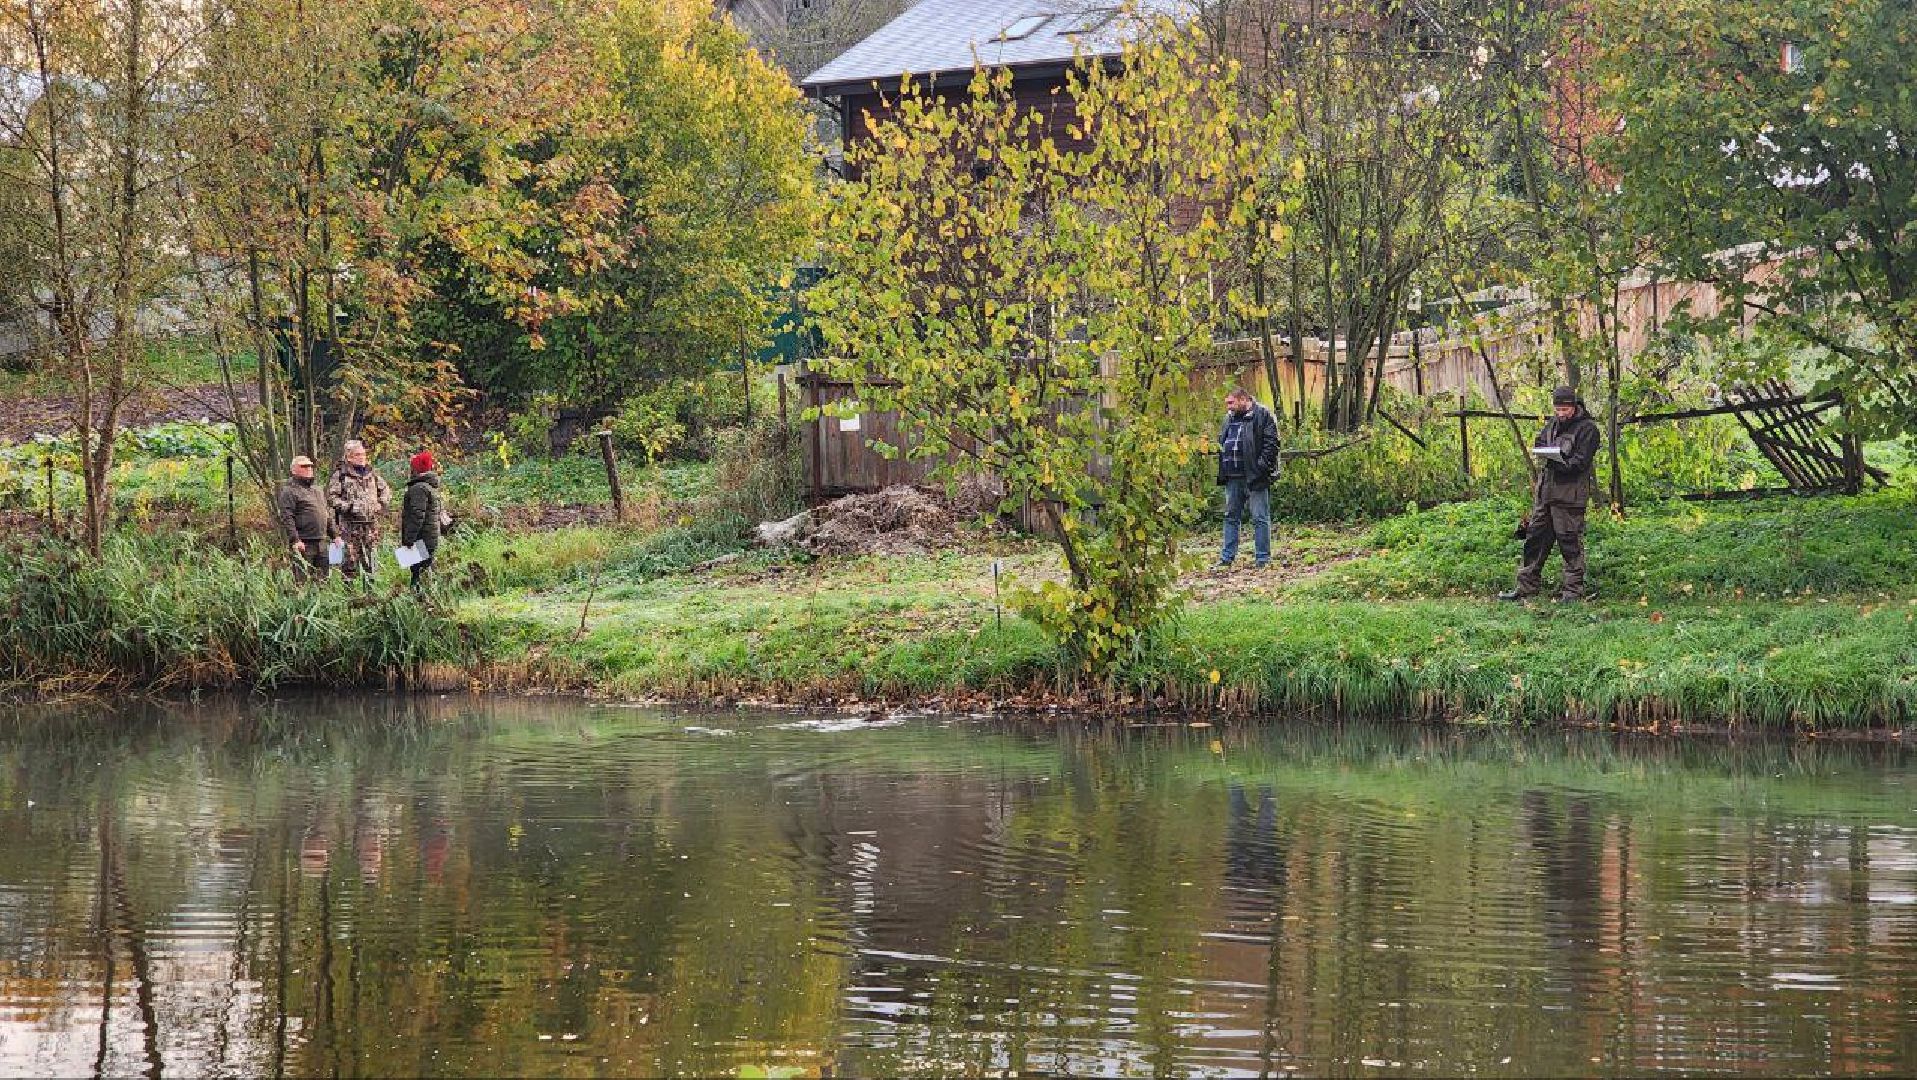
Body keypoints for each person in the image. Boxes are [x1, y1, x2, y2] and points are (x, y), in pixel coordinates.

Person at [1502, 385, 1602, 602]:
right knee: (1534, 541)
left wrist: (1559, 462)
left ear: (1574, 407)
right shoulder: (1553, 424)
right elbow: (1540, 441)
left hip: (1569, 497)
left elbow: (1581, 462)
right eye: (1558, 409)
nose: (1561, 414)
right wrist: (1543, 451)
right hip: (1545, 495)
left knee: (1569, 544)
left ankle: (1572, 593)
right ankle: (1526, 588)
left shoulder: (1588, 430)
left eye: (1565, 410)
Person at [1216, 387, 1281, 568]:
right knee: (1231, 517)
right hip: (1232, 476)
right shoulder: (1228, 418)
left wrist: (1260, 468)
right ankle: (1226, 558)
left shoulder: (1263, 415)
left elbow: (1271, 445)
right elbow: (1223, 442)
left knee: (1260, 517)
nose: (1228, 407)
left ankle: (1262, 559)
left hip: (1254, 476)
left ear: (1243, 399)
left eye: (1231, 402)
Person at [326, 439, 392, 582]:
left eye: (363, 454)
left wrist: (381, 503)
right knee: (349, 563)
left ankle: (370, 594)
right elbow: (331, 498)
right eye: (358, 455)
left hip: (370, 526)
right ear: (349, 457)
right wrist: (349, 507)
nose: (362, 457)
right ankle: (349, 596)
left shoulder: (371, 473)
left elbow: (386, 490)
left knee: (371, 562)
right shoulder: (340, 475)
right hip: (350, 527)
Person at [274, 455, 334, 583]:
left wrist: (335, 535)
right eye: (304, 466)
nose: (309, 468)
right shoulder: (289, 491)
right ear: (294, 470)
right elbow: (287, 516)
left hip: (322, 543)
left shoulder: (317, 490)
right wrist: (295, 540)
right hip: (304, 543)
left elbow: (326, 514)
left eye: (310, 466)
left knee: (323, 581)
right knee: (302, 582)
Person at [399, 450, 448, 592]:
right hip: (429, 537)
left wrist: (409, 540)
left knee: (417, 574)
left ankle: (420, 603)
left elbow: (417, 516)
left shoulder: (418, 488)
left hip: (420, 539)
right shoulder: (429, 487)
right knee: (425, 572)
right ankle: (429, 601)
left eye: (412, 467)